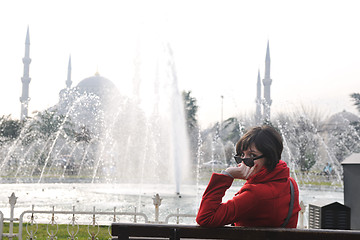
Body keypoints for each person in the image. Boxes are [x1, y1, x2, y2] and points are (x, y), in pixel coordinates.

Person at [196, 125, 301, 228]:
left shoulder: (256, 194)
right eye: (242, 155)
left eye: (252, 156)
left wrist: (227, 174)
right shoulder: (290, 183)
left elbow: (205, 218)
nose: (244, 162)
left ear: (269, 158)